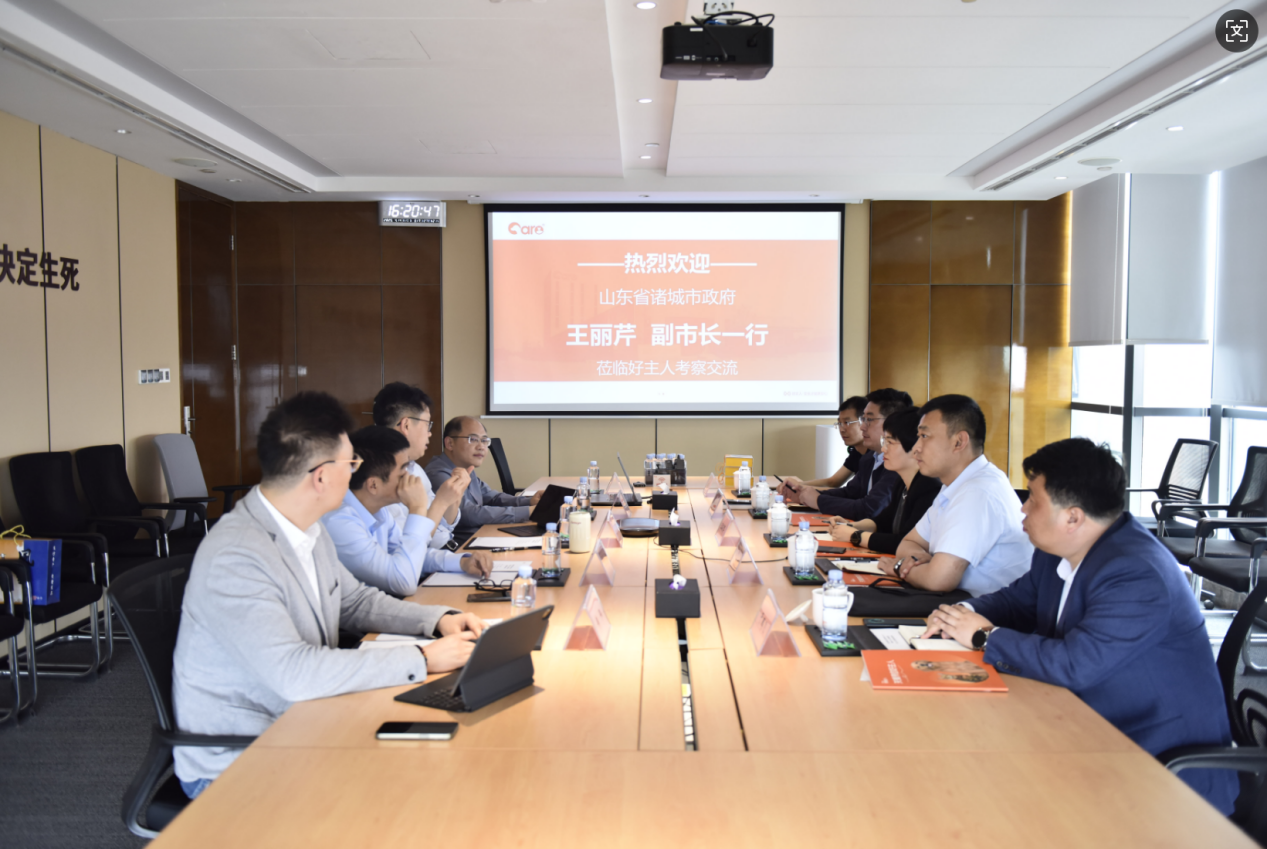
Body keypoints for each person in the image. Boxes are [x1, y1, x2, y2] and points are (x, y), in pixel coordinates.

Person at [172, 392, 487, 798]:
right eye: (350, 464)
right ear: (321, 476)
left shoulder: (307, 527)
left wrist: (439, 619)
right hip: (243, 757)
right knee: (419, 785)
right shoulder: (236, 556)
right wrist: (422, 659)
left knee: (441, 755)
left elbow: (354, 601)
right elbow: (294, 673)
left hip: (306, 719)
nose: (356, 473)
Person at [921, 438, 1238, 814]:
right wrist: (959, 612)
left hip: (1157, 767)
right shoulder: (1056, 551)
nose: (1023, 508)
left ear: (1073, 517)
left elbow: (1076, 664)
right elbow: (1016, 602)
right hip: (1081, 724)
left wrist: (982, 635)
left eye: (1033, 499)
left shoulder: (1137, 573)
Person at [322, 427, 493, 596]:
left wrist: (462, 562)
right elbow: (403, 581)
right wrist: (417, 508)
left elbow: (410, 555)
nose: (412, 478)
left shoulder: (379, 511)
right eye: (403, 471)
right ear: (373, 485)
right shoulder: (340, 523)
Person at [889, 394, 1032, 595]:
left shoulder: (978, 492)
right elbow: (908, 543)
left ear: (959, 442)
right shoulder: (954, 485)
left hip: (984, 610)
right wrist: (916, 560)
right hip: (956, 603)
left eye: (924, 436)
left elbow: (938, 580)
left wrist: (900, 568)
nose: (916, 448)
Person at [826, 407, 939, 555]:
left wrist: (855, 536)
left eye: (890, 442)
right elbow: (881, 522)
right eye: (883, 441)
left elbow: (905, 542)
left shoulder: (929, 488)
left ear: (915, 447)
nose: (883, 449)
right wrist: (851, 526)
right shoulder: (902, 482)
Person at [787, 388, 911, 521]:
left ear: (892, 423)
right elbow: (849, 493)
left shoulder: (898, 464)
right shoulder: (869, 458)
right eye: (863, 419)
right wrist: (804, 494)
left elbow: (870, 509)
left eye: (869, 419)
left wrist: (818, 500)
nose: (862, 427)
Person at [372, 383, 463, 550]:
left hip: (443, 552)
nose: (430, 433)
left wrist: (455, 495)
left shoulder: (414, 467)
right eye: (427, 424)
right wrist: (441, 502)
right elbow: (410, 546)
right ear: (406, 425)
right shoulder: (379, 476)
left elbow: (444, 526)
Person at [426, 416, 543, 542]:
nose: (481, 447)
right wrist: (528, 512)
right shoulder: (438, 474)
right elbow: (468, 514)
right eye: (473, 439)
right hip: (461, 546)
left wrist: (529, 502)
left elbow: (492, 498)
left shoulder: (466, 468)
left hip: (481, 536)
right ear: (450, 443)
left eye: (484, 440)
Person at [776, 396, 869, 494]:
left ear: (864, 422)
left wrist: (801, 487)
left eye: (847, 422)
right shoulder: (856, 452)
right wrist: (796, 485)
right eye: (839, 423)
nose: (842, 429)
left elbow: (850, 493)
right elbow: (833, 481)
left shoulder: (874, 456)